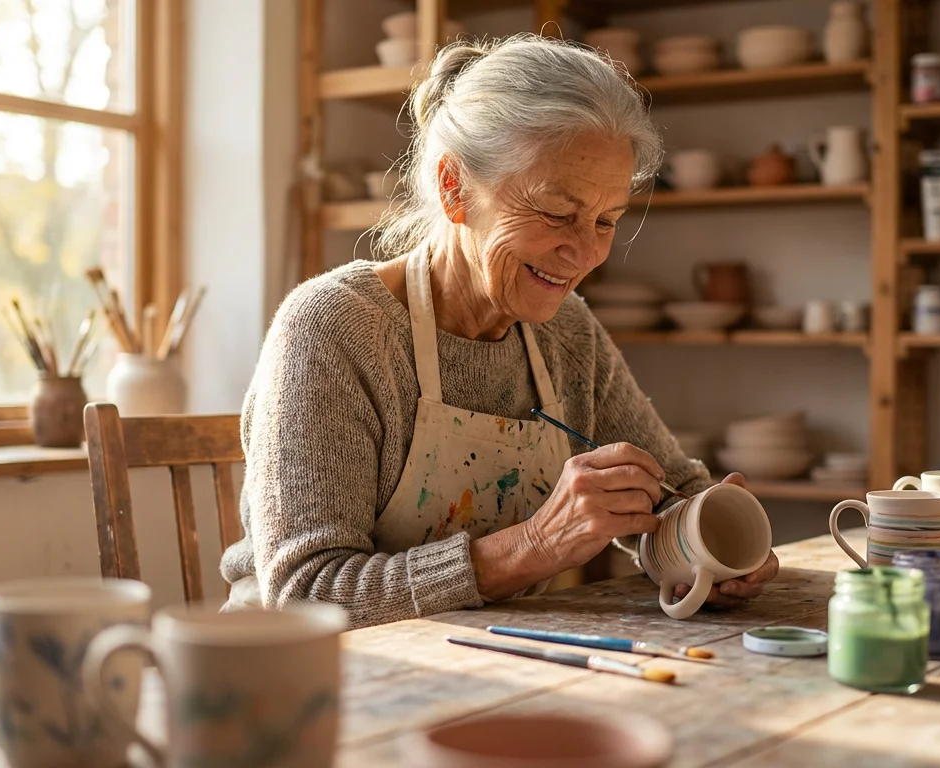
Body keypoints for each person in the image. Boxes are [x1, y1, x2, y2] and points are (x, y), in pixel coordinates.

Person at [220, 34, 778, 628]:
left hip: (489, 656)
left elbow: (668, 489)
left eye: (606, 220)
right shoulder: (334, 329)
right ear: (455, 188)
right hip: (302, 682)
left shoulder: (568, 333)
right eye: (557, 213)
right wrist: (533, 547)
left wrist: (703, 546)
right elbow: (307, 593)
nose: (586, 251)